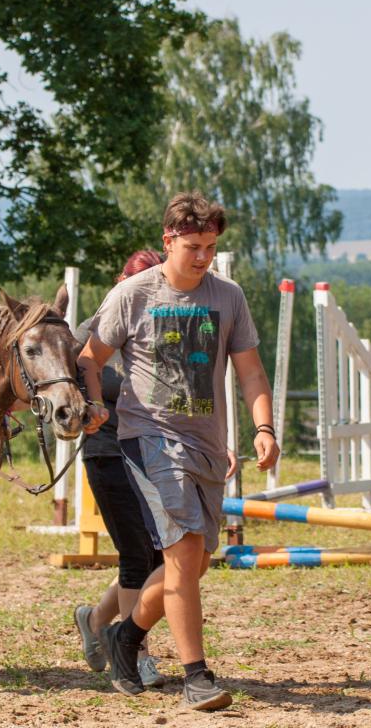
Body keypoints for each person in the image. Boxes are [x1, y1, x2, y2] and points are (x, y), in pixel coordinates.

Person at [78, 192, 280, 711]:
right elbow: (89, 358)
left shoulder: (228, 296)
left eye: (210, 247)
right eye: (193, 247)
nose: (203, 257)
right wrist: (94, 405)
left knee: (195, 562)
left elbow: (251, 372)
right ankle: (197, 676)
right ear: (168, 241)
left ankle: (124, 636)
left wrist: (264, 427)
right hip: (148, 438)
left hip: (206, 443)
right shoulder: (132, 294)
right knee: (184, 550)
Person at [72, 249, 167, 690]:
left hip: (155, 455)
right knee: (135, 555)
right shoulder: (87, 335)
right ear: (120, 282)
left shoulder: (163, 330)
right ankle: (136, 654)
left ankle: (95, 620)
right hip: (108, 453)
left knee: (159, 558)